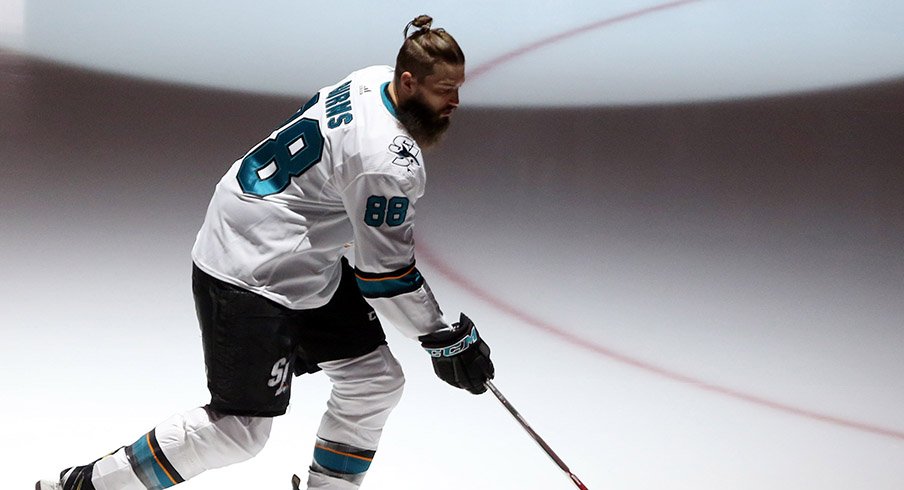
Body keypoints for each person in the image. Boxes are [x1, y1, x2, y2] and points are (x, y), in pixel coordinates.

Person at [37, 14, 494, 490]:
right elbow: (383, 275)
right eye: (444, 90)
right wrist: (444, 338)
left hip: (289, 252)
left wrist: (437, 336)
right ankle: (83, 487)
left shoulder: (372, 79)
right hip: (250, 270)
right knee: (240, 430)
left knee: (373, 380)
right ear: (408, 81)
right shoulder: (388, 160)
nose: (455, 102)